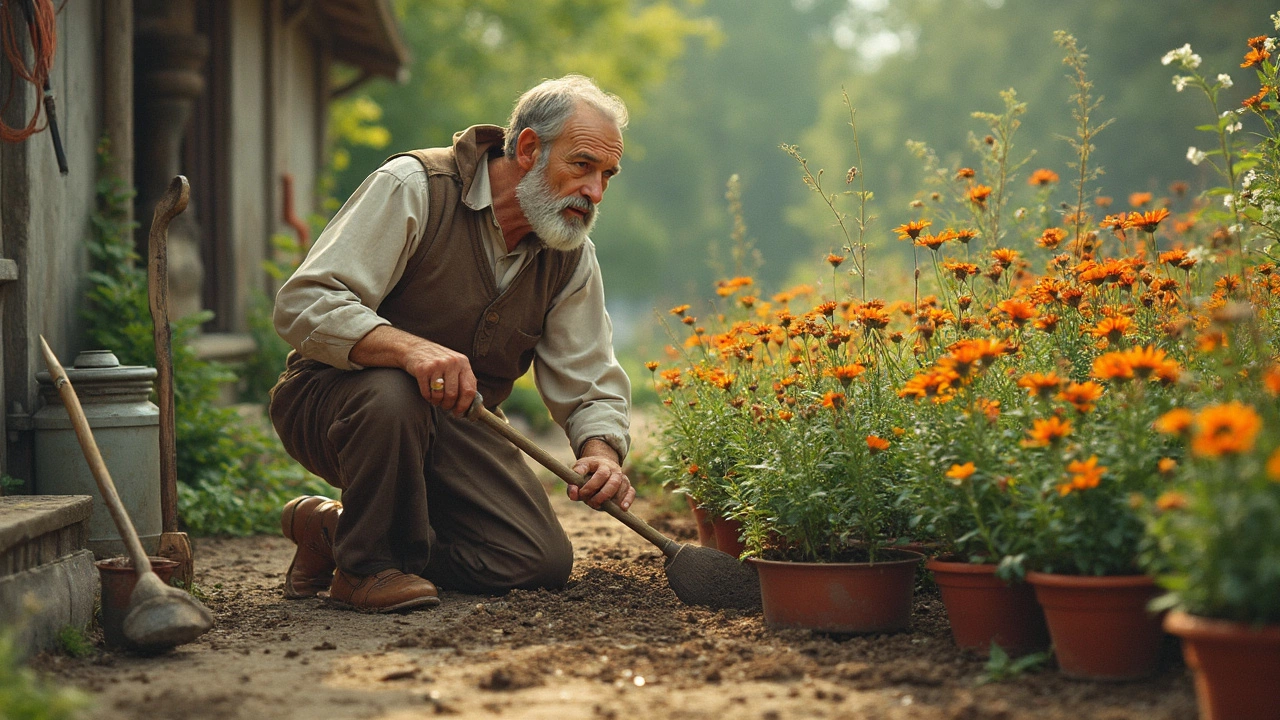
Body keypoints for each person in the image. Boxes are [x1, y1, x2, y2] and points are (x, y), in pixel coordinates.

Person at [269, 75, 634, 612]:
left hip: (461, 423)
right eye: (582, 166)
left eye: (607, 175)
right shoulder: (415, 186)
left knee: (536, 560)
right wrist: (409, 350)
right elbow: (304, 302)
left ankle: (335, 530)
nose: (595, 192)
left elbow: (590, 376)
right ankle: (364, 568)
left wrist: (600, 452)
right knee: (395, 392)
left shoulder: (570, 256)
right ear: (529, 149)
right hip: (335, 403)